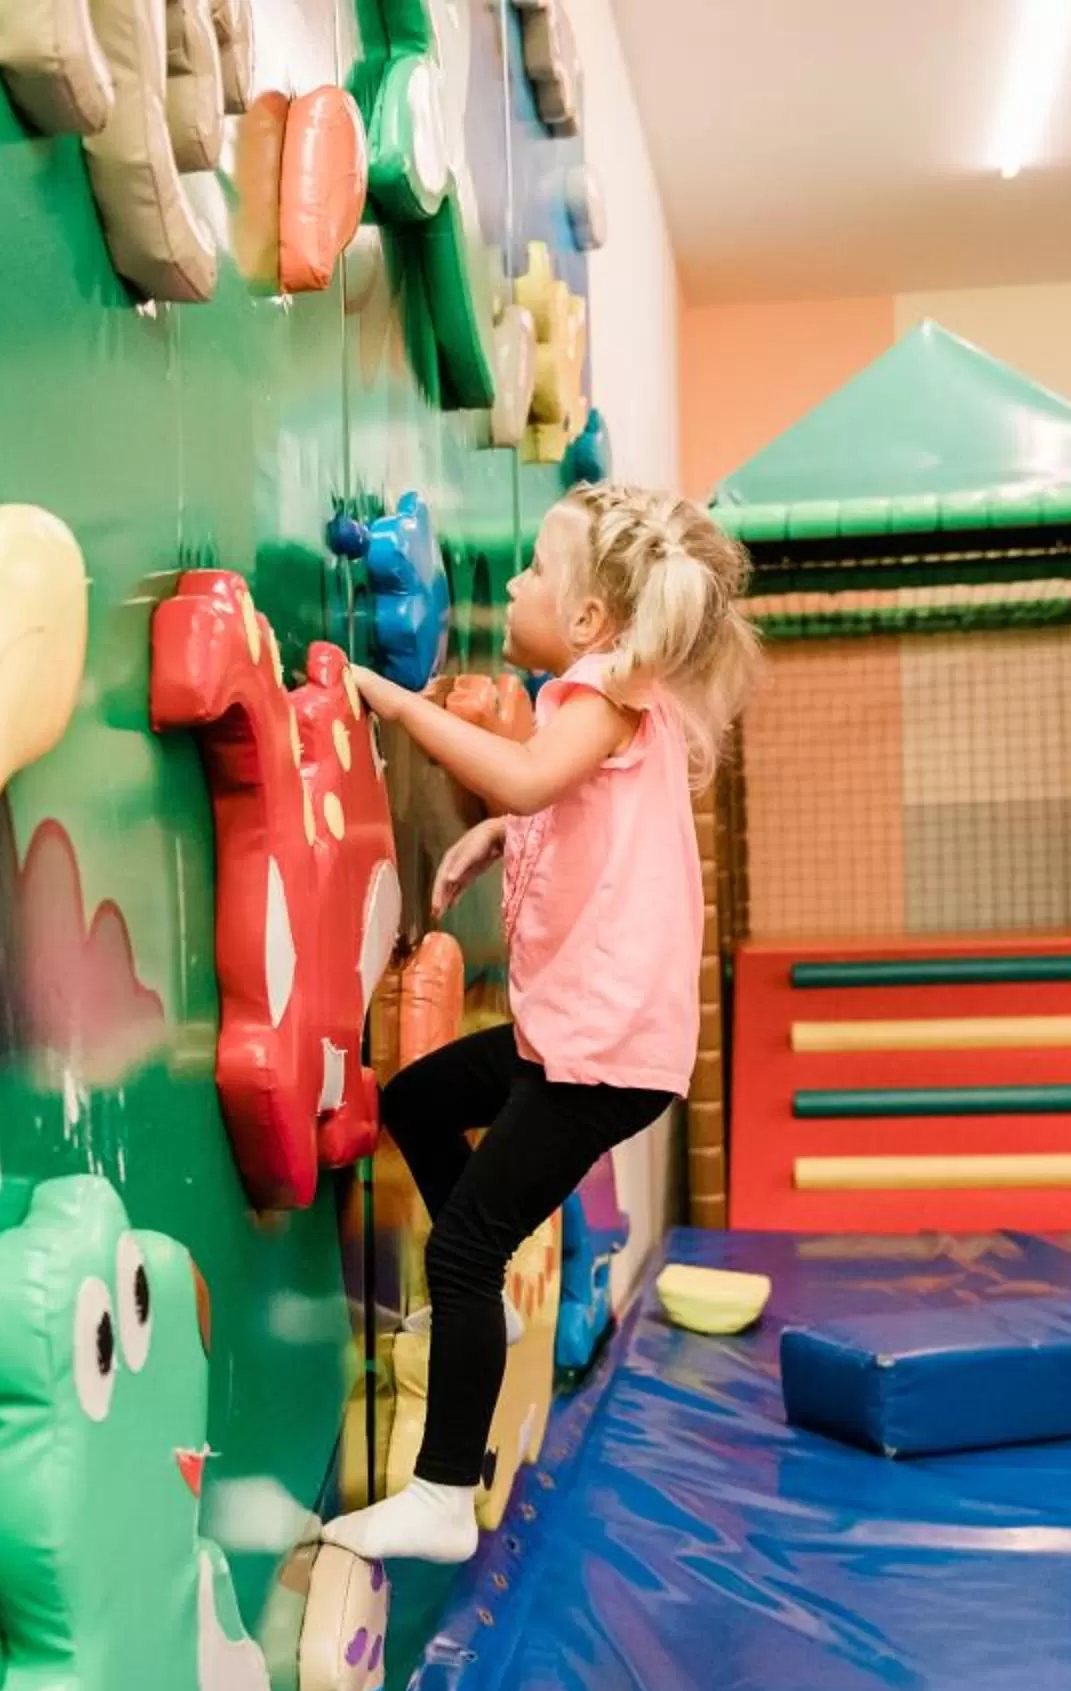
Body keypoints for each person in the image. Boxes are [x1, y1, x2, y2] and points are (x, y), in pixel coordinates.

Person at [325, 483, 761, 1563]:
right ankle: (489, 1319)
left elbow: (526, 778)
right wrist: (491, 843)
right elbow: (567, 817)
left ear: (585, 623)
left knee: (464, 1255)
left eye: (530, 570)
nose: (511, 582)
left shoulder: (601, 697)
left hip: (601, 1058)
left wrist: (394, 699)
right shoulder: (610, 699)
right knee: (417, 1103)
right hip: (575, 1038)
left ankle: (437, 1498)